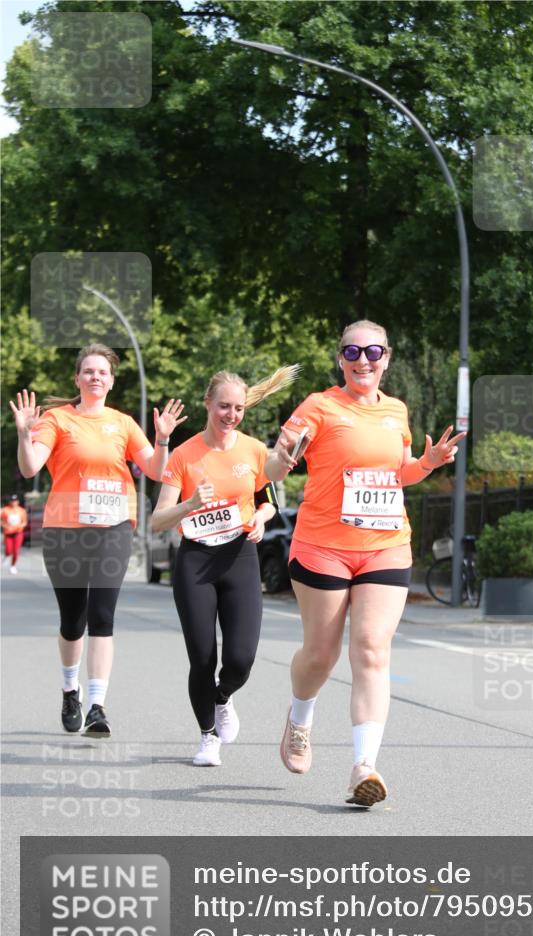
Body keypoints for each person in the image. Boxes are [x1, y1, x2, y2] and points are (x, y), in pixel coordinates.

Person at [266, 320, 465, 807]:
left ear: (387, 358)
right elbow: (273, 464)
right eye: (352, 351)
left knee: (372, 649)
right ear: (340, 359)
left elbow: (400, 473)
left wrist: (429, 463)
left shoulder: (396, 410)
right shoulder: (319, 405)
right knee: (321, 654)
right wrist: (283, 458)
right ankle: (300, 718)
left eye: (373, 351)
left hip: (386, 544)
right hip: (322, 545)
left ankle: (363, 767)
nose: (363, 360)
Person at [10, 343, 186, 737]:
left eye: (102, 372)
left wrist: (162, 440)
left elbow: (156, 472)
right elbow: (30, 466)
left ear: (111, 380)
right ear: (77, 378)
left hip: (114, 528)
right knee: (73, 622)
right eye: (88, 371)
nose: (95, 377)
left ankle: (97, 706)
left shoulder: (123, 423)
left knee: (101, 616)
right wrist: (25, 434)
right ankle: (70, 690)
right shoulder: (56, 420)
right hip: (65, 531)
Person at [151, 366, 298, 767]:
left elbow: (270, 492)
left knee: (240, 659)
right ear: (207, 404)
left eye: (237, 408)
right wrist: (189, 504)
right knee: (202, 657)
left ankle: (222, 697)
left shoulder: (251, 449)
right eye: (223, 406)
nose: (230, 414)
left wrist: (263, 517)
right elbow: (157, 520)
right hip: (196, 560)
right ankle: (207, 738)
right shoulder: (184, 455)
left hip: (240, 557)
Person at [2, 494, 28, 574]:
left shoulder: (22, 511)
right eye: (12, 501)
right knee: (8, 550)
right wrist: (4, 525)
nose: (14, 502)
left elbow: (24, 522)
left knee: (16, 551)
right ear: (10, 502)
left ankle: (13, 566)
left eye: (15, 501)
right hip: (8, 533)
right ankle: (6, 556)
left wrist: (20, 526)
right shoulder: (5, 510)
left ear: (18, 502)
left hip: (18, 533)